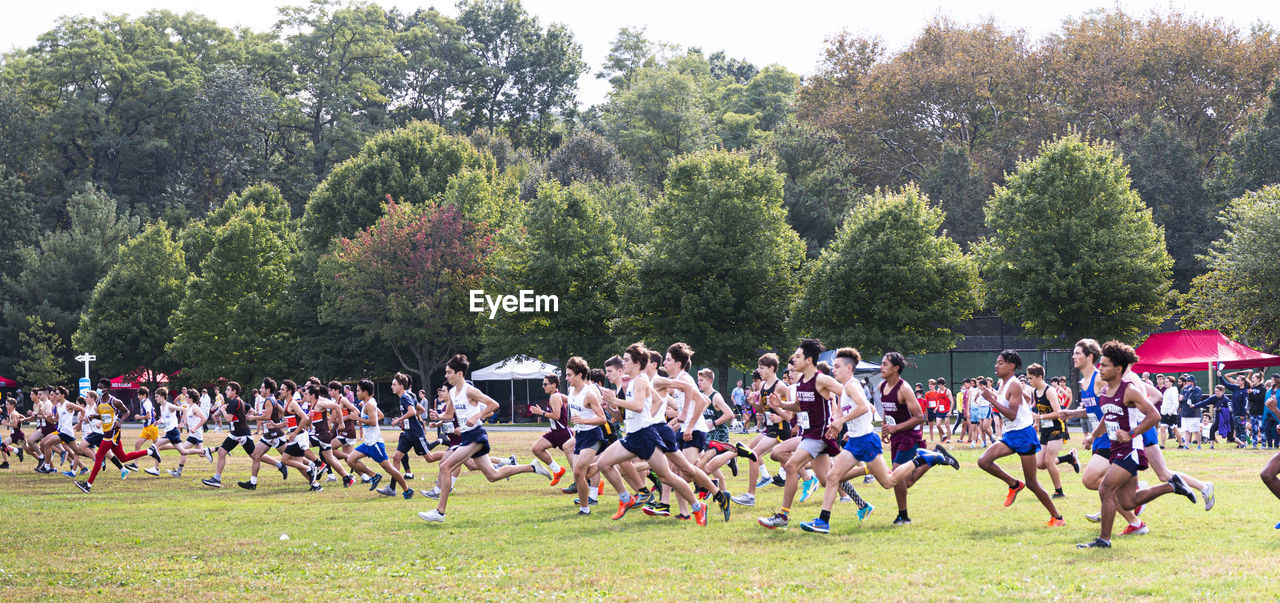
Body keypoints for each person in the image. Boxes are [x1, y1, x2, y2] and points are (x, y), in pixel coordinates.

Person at [1077, 341, 1198, 549]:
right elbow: (1107, 417)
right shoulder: (1106, 390)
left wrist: (1131, 432)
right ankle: (1171, 485)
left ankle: (1103, 540)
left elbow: (1154, 415)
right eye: (1100, 365)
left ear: (1118, 369)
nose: (1100, 369)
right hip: (1116, 449)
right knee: (1128, 502)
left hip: (1131, 449)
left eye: (1104, 365)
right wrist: (1093, 437)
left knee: (1105, 489)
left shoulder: (1129, 390)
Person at [418, 355, 553, 523]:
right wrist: (438, 415)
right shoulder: (453, 392)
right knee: (492, 475)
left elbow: (494, 404)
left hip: (476, 435)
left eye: (449, 372)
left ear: (459, 373)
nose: (446, 376)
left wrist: (477, 416)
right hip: (467, 437)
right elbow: (449, 414)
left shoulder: (470, 390)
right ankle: (532, 467)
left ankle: (440, 511)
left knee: (445, 466)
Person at [974, 353, 1065, 527]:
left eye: (1000, 363)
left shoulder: (1015, 384)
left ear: (1011, 366)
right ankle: (1014, 484)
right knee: (983, 461)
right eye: (997, 362)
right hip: (1011, 434)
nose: (996, 366)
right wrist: (992, 396)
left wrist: (990, 399)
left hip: (1023, 434)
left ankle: (1057, 518)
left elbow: (1012, 414)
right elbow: (1019, 404)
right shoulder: (1003, 384)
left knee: (1032, 483)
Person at [75, 381, 159, 493]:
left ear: (107, 389)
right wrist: (94, 416)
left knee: (99, 456)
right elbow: (103, 416)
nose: (99, 390)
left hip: (112, 433)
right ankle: (150, 451)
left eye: (101, 388)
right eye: (98, 387)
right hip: (106, 432)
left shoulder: (114, 401)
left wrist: (120, 422)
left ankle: (88, 485)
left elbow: (127, 412)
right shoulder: (99, 401)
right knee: (123, 458)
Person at [343, 379, 413, 499]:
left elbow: (374, 422)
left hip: (375, 443)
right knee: (350, 460)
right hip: (367, 443)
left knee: (389, 469)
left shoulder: (369, 404)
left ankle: (407, 489)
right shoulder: (369, 402)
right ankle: (374, 476)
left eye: (358, 391)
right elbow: (380, 415)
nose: (357, 393)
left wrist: (357, 418)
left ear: (365, 392)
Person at [1028, 364, 1078, 499]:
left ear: (1039, 377)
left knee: (1049, 461)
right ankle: (1069, 458)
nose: (1029, 381)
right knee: (1040, 464)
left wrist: (1040, 417)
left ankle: (1059, 491)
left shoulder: (1049, 391)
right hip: (1045, 429)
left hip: (1057, 427)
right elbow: (1039, 409)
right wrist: (1036, 423)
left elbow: (1058, 413)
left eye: (1031, 378)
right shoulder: (1035, 391)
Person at [527, 374, 573, 487]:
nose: (543, 386)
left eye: (545, 384)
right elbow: (570, 400)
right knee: (537, 449)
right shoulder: (557, 396)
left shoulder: (555, 397)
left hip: (563, 433)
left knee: (576, 461)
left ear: (553, 385)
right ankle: (557, 470)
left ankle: (593, 483)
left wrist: (541, 413)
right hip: (555, 432)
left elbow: (556, 416)